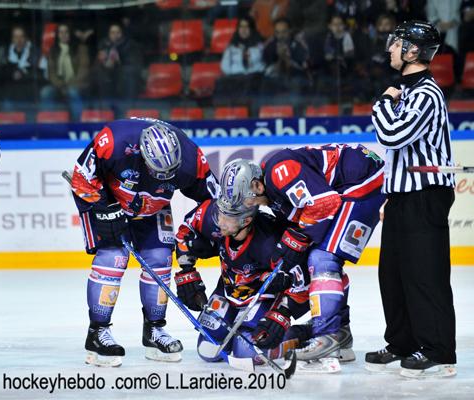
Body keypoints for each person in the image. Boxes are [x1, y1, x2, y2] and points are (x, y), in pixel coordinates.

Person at [68, 118, 220, 367]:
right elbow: (81, 177)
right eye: (158, 171)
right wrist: (102, 209)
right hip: (109, 200)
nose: (164, 177)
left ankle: (154, 330)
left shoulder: (192, 159)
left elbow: (214, 204)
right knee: (113, 258)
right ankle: (97, 333)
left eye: (169, 173)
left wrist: (191, 254)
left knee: (160, 259)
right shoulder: (114, 141)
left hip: (153, 205)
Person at [225, 144, 385, 372]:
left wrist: (296, 239)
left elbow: (325, 204)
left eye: (245, 201)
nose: (245, 208)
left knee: (322, 259)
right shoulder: (274, 196)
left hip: (364, 181)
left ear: (257, 185)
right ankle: (340, 334)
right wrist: (283, 311)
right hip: (352, 183)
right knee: (317, 259)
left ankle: (326, 339)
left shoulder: (279, 172)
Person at [368, 20, 457, 379]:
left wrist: (381, 102)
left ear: (413, 51)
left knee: (425, 275)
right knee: (392, 275)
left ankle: (438, 351)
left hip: (425, 195)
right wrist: (390, 194)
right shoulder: (405, 91)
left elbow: (393, 135)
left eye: (396, 43)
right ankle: (402, 342)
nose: (390, 48)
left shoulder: (425, 93)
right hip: (403, 195)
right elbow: (399, 154)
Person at [174, 159, 317, 365]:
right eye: (220, 212)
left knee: (246, 351)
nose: (220, 221)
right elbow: (186, 231)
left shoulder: (269, 241)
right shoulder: (213, 215)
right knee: (208, 349)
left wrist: (283, 313)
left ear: (246, 220)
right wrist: (186, 271)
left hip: (261, 297)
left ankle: (303, 333)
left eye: (229, 216)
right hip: (228, 291)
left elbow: (302, 284)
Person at [40, 23, 91, 122]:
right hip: (59, 85)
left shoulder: (80, 48)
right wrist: (61, 85)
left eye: (66, 32)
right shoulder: (53, 51)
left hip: (77, 84)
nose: (63, 35)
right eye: (61, 32)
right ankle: (50, 123)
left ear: (70, 34)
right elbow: (51, 73)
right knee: (45, 92)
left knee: (72, 92)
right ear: (57, 35)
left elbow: (83, 70)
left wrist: (70, 85)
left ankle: (77, 124)